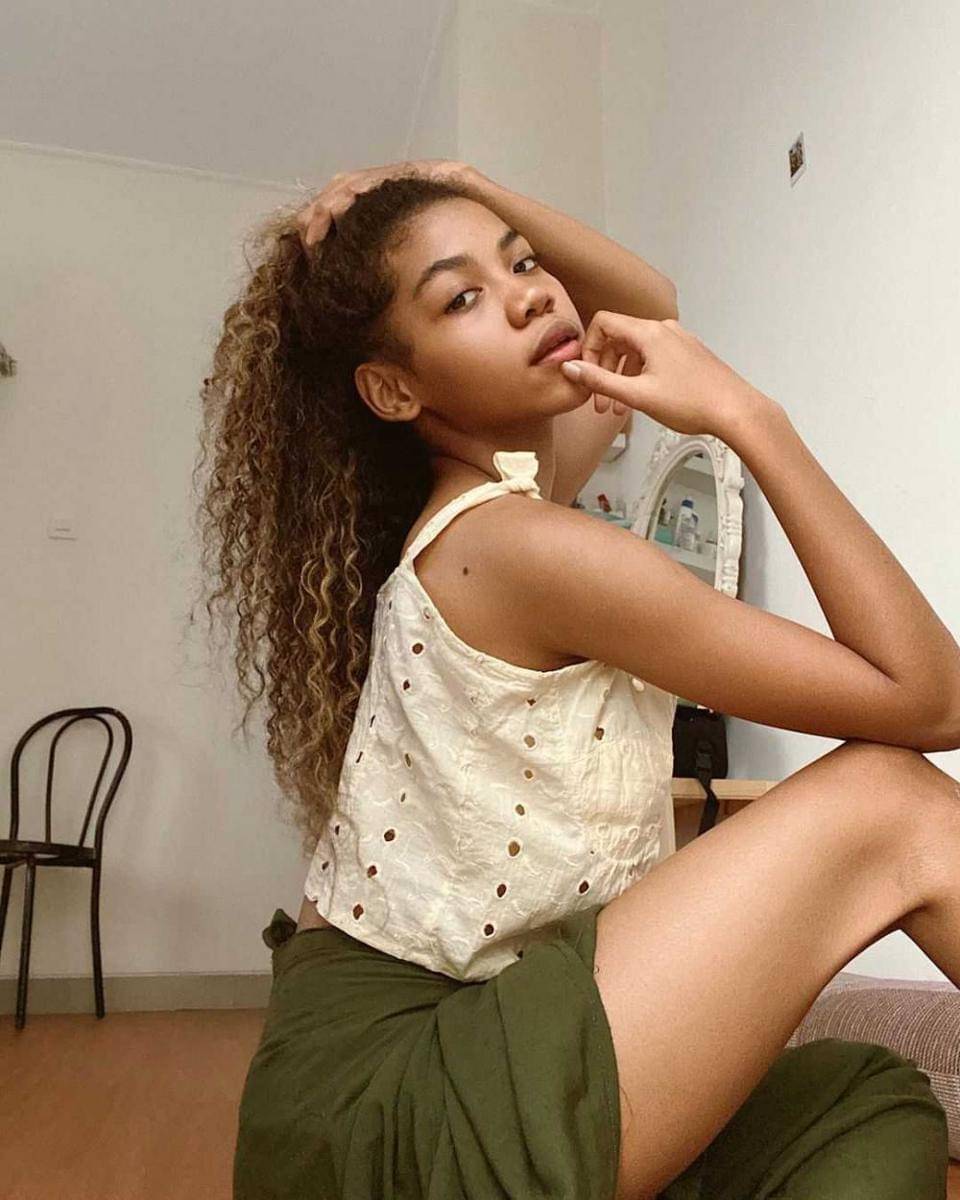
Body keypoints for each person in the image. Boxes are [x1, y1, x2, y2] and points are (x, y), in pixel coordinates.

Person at [192, 160, 957, 1199]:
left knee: (864, 1107)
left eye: (522, 263)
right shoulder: (518, 548)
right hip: (394, 1101)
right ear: (395, 389)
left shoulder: (517, 494)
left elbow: (648, 310)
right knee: (893, 804)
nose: (529, 295)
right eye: (461, 298)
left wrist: (453, 180)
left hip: (482, 1029)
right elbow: (931, 700)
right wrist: (749, 417)